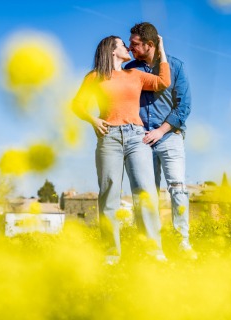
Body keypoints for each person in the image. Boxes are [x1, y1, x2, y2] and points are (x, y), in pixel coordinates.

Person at [72, 35, 171, 264]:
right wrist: (93, 120)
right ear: (112, 51)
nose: (128, 48)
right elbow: (76, 104)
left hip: (137, 138)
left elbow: (162, 81)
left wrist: (161, 48)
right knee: (109, 195)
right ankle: (111, 254)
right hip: (109, 139)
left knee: (145, 193)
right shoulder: (95, 77)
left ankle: (153, 251)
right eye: (122, 45)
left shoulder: (134, 75)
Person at [125, 22, 196, 259]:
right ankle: (150, 246)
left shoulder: (175, 67)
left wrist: (161, 130)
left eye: (135, 44)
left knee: (177, 187)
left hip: (169, 136)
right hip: (140, 139)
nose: (130, 47)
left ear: (150, 44)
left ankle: (182, 241)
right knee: (146, 193)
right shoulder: (130, 69)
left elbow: (183, 106)